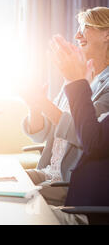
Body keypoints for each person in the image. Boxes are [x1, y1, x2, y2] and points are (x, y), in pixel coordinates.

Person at [20, 7, 109, 206]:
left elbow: (85, 134)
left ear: (107, 34)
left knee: (15, 197)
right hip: (47, 172)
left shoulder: (96, 83)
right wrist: (35, 106)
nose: (77, 35)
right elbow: (43, 134)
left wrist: (44, 102)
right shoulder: (80, 75)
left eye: (85, 28)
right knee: (3, 178)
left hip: (68, 183)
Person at [49, 34, 109, 224]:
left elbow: (93, 140)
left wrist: (76, 81)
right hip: (82, 201)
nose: (77, 36)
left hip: (91, 211)